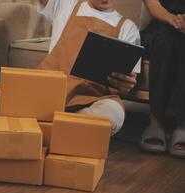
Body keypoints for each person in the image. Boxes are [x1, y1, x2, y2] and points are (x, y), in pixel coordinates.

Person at [36, 0, 141, 135]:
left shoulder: (128, 27)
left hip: (91, 99)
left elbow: (128, 79)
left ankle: (45, 124)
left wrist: (125, 84)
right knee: (2, 100)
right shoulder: (66, 5)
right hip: (50, 90)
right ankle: (70, 129)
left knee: (113, 114)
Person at [140, 0, 185, 158]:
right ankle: (156, 121)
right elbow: (153, 5)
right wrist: (173, 20)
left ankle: (183, 125)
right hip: (162, 24)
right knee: (164, 42)